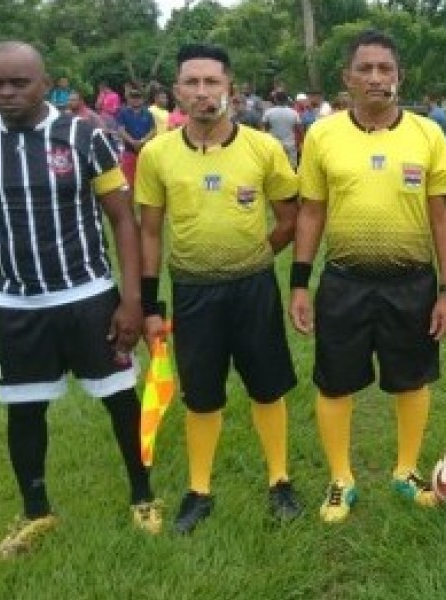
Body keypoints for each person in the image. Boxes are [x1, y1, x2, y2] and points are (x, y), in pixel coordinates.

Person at [0, 41, 159, 558]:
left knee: (118, 398)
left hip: (87, 296)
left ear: (45, 83)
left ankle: (143, 496)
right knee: (24, 411)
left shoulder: (84, 136)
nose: (6, 93)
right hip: (17, 305)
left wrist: (130, 299)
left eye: (18, 82)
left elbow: (122, 221)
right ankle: (37, 511)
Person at [289, 29, 446, 524]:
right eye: (364, 69)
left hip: (412, 281)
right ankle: (341, 479)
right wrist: (300, 282)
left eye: (385, 69)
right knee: (335, 382)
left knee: (411, 379)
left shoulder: (427, 134)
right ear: (347, 79)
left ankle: (406, 471)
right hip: (345, 280)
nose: (376, 78)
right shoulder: (322, 135)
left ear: (399, 77)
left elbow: (443, 218)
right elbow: (310, 213)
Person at [136, 43, 303, 534]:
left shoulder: (264, 148)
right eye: (192, 82)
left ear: (230, 88)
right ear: (177, 90)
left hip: (253, 288)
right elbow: (149, 232)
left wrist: (253, 257)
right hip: (192, 292)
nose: (203, 92)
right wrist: (150, 305)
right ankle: (199, 489)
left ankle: (279, 481)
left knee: (267, 386)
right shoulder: (156, 155)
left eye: (213, 82)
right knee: (202, 395)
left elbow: (290, 220)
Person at [115, 88, 156, 195]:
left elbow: (153, 130)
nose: (135, 100)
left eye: (138, 97)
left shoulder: (148, 113)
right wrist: (132, 141)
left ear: (142, 99)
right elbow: (120, 129)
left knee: (147, 179)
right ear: (129, 99)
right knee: (128, 180)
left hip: (145, 151)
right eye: (133, 97)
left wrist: (143, 141)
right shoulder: (123, 113)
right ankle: (129, 204)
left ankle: (145, 200)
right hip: (129, 151)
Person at [261, 90, 301, 168]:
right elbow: (299, 130)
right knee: (292, 167)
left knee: (274, 167)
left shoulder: (268, 112)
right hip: (290, 144)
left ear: (275, 99)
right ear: (286, 99)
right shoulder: (293, 112)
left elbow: (263, 130)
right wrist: (299, 143)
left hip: (273, 144)